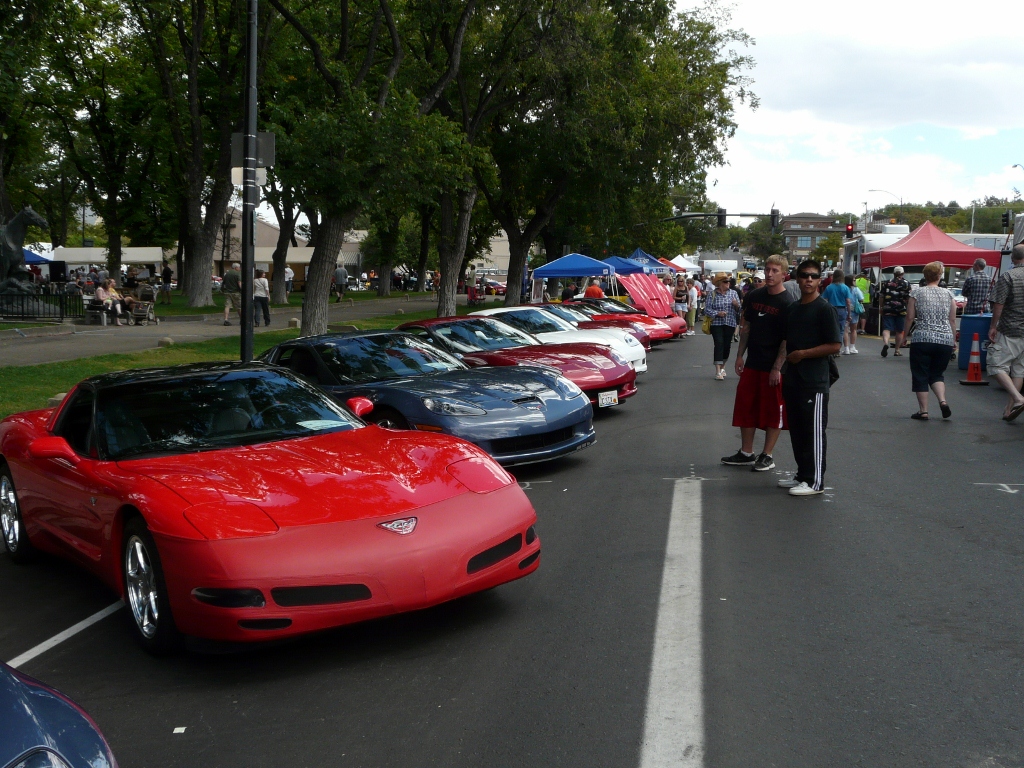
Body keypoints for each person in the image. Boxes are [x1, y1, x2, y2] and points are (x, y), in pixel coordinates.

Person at [721, 255, 794, 472]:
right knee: (746, 407)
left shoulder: (788, 303)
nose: (770, 274)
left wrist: (777, 368)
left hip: (773, 367)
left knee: (773, 411)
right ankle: (746, 452)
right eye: (767, 269)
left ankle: (767, 455)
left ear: (783, 274)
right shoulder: (753, 296)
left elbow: (787, 339)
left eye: (775, 271)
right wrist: (739, 355)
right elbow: (746, 328)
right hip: (753, 363)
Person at [777, 259, 842, 496]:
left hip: (814, 381)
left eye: (814, 276)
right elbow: (785, 342)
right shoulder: (793, 309)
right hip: (793, 379)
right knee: (797, 431)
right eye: (805, 275)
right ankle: (802, 475)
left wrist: (803, 354)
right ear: (797, 277)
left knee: (813, 431)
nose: (809, 280)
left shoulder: (825, 309)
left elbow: (835, 345)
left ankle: (815, 481)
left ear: (819, 280)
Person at [904, 261, 956, 420]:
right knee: (937, 374)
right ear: (939, 276)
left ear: (924, 276)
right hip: (944, 339)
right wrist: (953, 340)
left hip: (923, 338)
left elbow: (910, 317)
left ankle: (923, 411)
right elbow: (952, 320)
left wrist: (905, 336)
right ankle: (943, 401)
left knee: (920, 374)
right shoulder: (949, 294)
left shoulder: (916, 293)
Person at [987, 244, 1024, 421]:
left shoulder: (1009, 276)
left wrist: (993, 326)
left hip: (1011, 328)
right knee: (1018, 369)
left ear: (1012, 258)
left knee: (996, 366)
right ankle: (1010, 409)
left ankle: (1018, 399)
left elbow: (998, 304)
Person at [703, 272, 742, 380]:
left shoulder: (733, 293)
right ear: (719, 283)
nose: (728, 283)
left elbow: (740, 310)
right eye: (725, 281)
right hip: (716, 323)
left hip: (730, 323)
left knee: (726, 346)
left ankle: (723, 366)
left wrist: (736, 305)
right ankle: (718, 370)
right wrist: (717, 313)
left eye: (729, 281)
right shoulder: (712, 294)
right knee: (719, 343)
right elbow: (707, 310)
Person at [880, 266, 911, 357]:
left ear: (893, 273)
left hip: (888, 308)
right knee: (899, 330)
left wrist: (881, 307)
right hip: (901, 309)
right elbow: (909, 298)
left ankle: (886, 343)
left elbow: (881, 296)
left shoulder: (887, 282)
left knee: (886, 328)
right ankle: (897, 350)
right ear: (903, 273)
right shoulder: (906, 283)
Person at [844, 274, 864, 354]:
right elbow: (861, 299)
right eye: (854, 280)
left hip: (845, 310)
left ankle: (846, 348)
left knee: (845, 330)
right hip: (854, 311)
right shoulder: (856, 289)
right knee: (853, 329)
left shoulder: (844, 288)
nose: (855, 281)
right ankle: (852, 347)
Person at [222, 262, 242, 326]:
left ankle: (226, 319)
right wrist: (242, 290)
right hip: (236, 292)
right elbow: (239, 282)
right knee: (239, 306)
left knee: (227, 306)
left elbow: (224, 283)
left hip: (227, 292)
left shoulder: (227, 274)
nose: (239, 268)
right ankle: (242, 319)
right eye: (239, 267)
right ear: (236, 267)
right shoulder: (237, 273)